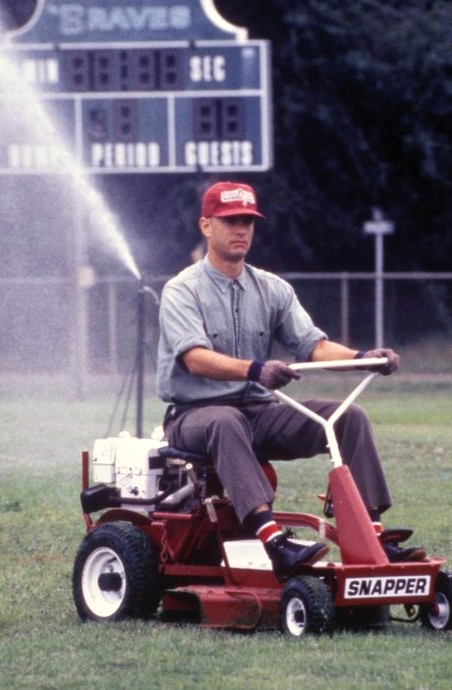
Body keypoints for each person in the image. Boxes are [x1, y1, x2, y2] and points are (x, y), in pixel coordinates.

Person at [156, 181, 424, 582]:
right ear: (206, 225)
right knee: (225, 422)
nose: (241, 230)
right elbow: (195, 359)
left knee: (349, 417)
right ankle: (273, 541)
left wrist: (362, 358)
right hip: (195, 417)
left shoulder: (272, 289)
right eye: (230, 221)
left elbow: (313, 346)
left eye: (248, 221)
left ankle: (372, 536)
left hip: (260, 413)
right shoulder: (182, 290)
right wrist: (255, 369)